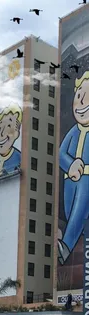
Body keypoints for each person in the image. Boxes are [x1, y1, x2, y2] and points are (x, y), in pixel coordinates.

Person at [58, 71, 89, 265]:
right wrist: (70, 164)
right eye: (79, 97)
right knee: (73, 214)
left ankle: (66, 246)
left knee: (80, 207)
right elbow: (60, 153)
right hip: (69, 182)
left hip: (86, 181)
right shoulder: (73, 132)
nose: (82, 103)